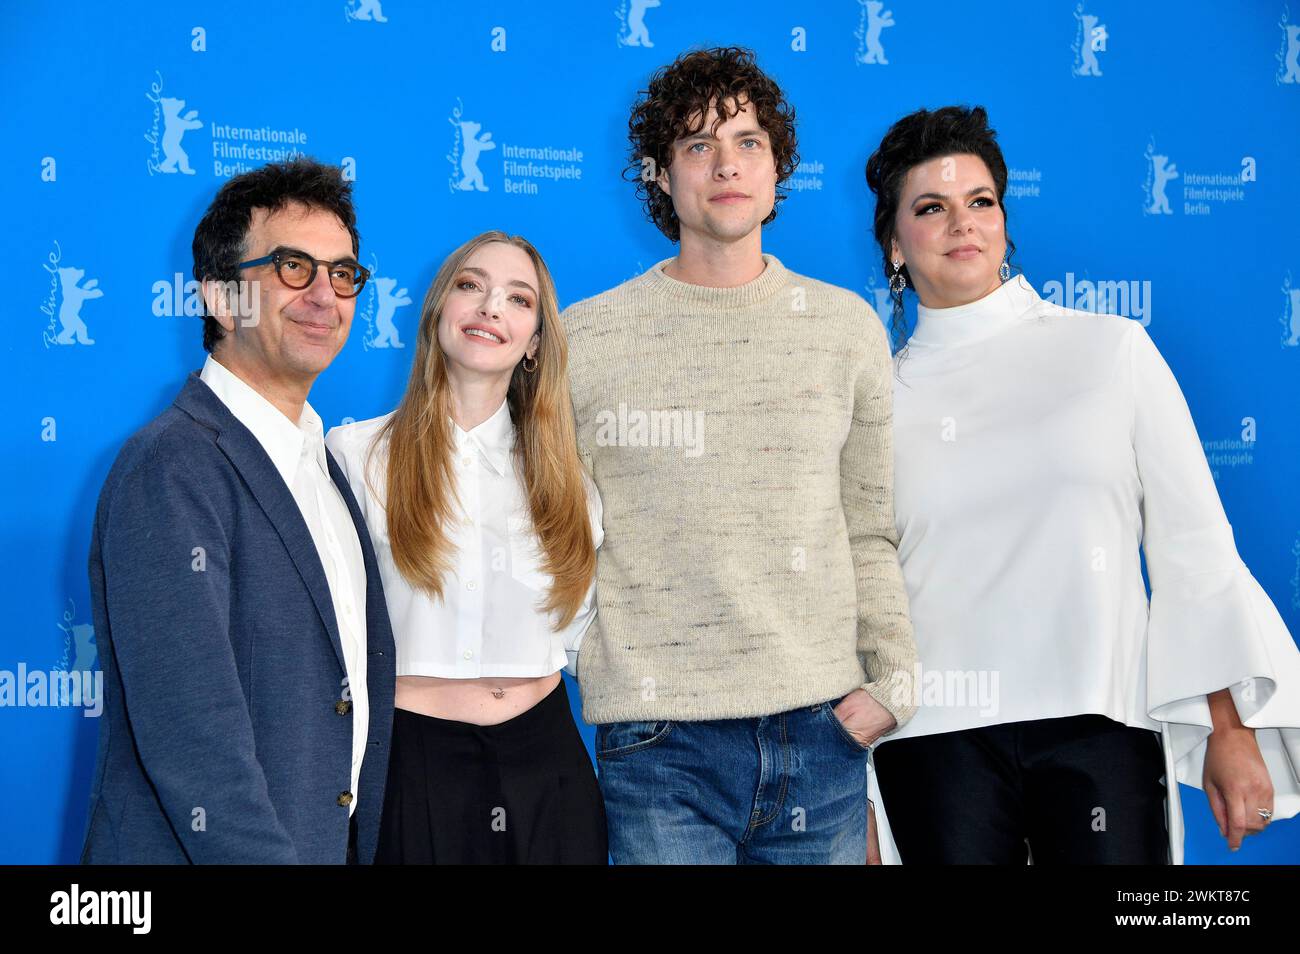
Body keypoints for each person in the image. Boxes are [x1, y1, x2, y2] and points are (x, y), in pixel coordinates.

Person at [864, 105, 1300, 864]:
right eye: (930, 208)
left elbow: (1192, 546)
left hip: (1101, 724)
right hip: (930, 742)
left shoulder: (1111, 351)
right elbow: (859, 595)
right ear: (894, 245)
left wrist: (1230, 731)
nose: (961, 224)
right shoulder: (873, 401)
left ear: (1003, 222)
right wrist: (861, 798)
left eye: (981, 202)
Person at [559, 46, 917, 864]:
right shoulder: (588, 336)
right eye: (697, 145)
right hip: (658, 747)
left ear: (776, 167)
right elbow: (554, 529)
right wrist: (594, 664)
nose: (726, 165)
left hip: (819, 734)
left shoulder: (844, 329)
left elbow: (867, 527)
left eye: (748, 142)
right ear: (661, 176)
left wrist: (892, 680)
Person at [81, 157, 395, 864]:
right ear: (222, 299)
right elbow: (193, 734)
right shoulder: (171, 464)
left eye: (344, 273)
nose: (326, 294)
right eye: (292, 267)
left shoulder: (325, 466)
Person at [326, 231, 607, 864]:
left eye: (518, 299)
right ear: (437, 312)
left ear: (535, 342)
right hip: (410, 764)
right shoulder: (354, 456)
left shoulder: (572, 483)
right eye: (470, 286)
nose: (490, 308)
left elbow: (577, 626)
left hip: (548, 768)